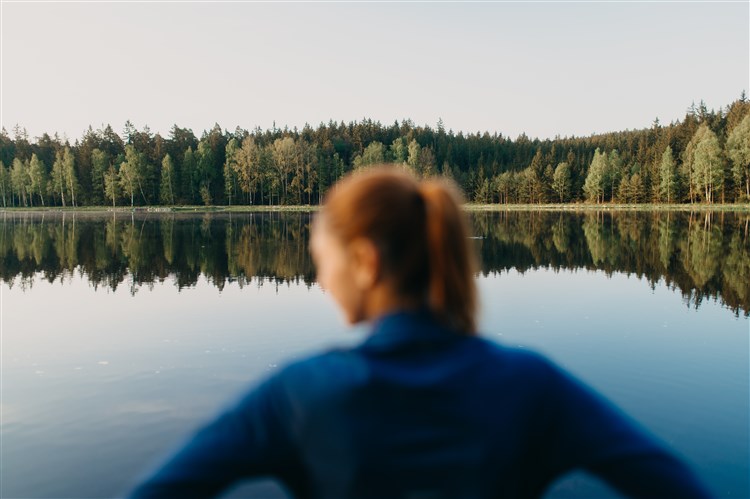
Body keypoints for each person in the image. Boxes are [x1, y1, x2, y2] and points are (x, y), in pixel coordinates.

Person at [130, 166, 711, 498]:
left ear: (365, 262)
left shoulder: (299, 394)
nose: (320, 280)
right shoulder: (532, 386)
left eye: (321, 261)